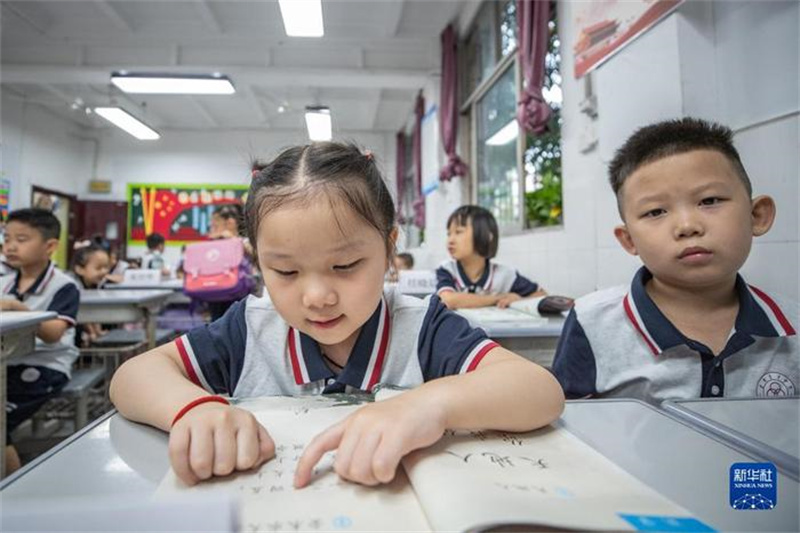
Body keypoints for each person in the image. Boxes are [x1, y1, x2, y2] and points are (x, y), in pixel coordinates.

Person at [110, 142, 564, 488]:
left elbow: (540, 391)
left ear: (389, 250)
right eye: (284, 270)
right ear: (257, 260)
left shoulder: (421, 326)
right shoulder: (250, 327)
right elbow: (133, 376)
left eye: (345, 266)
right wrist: (193, 407)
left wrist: (431, 404)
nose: (317, 296)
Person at [552, 117, 798, 403]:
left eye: (709, 201)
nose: (687, 225)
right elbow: (568, 430)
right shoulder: (592, 321)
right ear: (629, 240)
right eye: (656, 212)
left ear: (757, 215)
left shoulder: (793, 327)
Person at [0, 208, 80, 473]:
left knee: (1, 423)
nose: (10, 246)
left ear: (50, 246)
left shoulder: (64, 285)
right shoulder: (5, 282)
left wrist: (16, 308)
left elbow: (53, 332)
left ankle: (10, 491)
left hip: (46, 366)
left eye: (21, 240)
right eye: (6, 238)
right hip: (7, 362)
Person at [436, 205, 545, 310]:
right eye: (449, 234)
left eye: (458, 232)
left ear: (486, 236)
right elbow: (448, 299)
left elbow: (542, 295)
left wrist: (519, 300)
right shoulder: (448, 269)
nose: (450, 240)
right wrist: (498, 298)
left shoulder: (504, 275)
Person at [205, 203, 253, 320]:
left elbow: (255, 255)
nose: (212, 227)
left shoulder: (245, 241)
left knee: (238, 325)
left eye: (215, 224)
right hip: (216, 293)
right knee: (216, 324)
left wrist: (232, 239)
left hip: (239, 293)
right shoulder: (214, 243)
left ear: (230, 222)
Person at [69, 242, 111, 346]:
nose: (104, 272)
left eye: (106, 267)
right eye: (98, 268)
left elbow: (93, 311)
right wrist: (92, 333)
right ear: (79, 269)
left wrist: (97, 331)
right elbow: (82, 312)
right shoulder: (72, 285)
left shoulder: (95, 283)